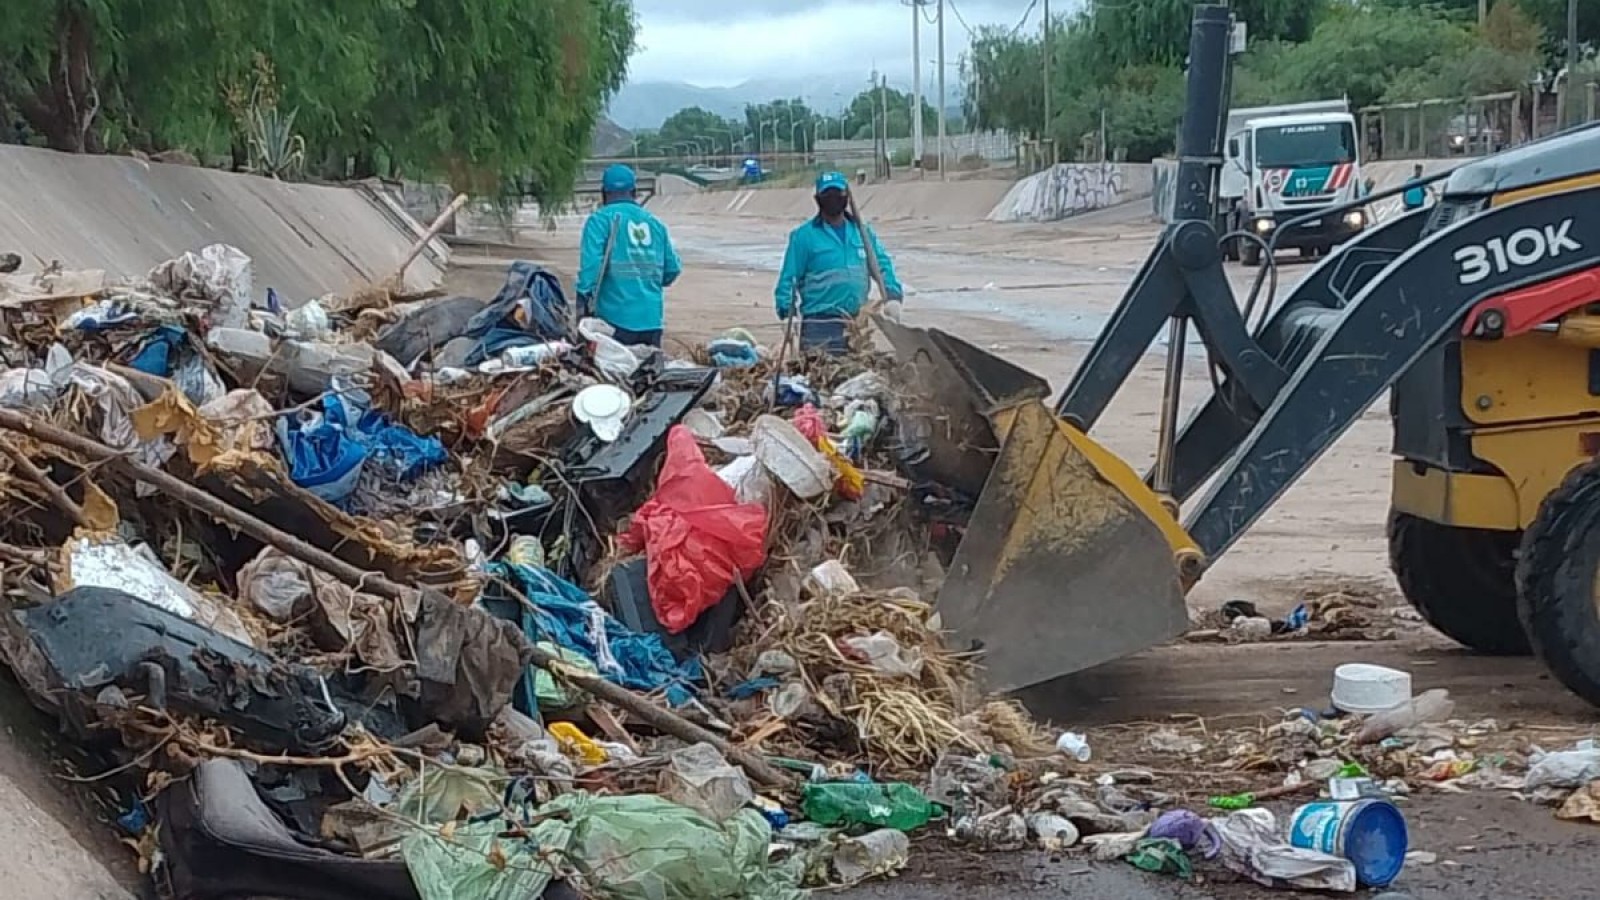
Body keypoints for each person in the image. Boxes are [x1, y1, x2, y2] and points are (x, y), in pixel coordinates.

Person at [773, 171, 904, 354]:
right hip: (819, 325)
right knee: (819, 370)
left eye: (837, 193)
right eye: (827, 194)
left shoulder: (862, 233)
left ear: (846, 197)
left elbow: (881, 266)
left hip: (857, 323)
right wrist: (787, 312)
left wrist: (892, 296)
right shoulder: (803, 237)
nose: (832, 199)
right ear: (817, 199)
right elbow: (789, 279)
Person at [575, 164, 681, 347]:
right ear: (634, 192)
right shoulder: (655, 223)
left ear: (604, 192)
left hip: (613, 320)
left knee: (611, 366)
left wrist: (583, 300)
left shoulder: (600, 220)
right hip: (651, 321)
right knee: (648, 365)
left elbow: (591, 268)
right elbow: (672, 269)